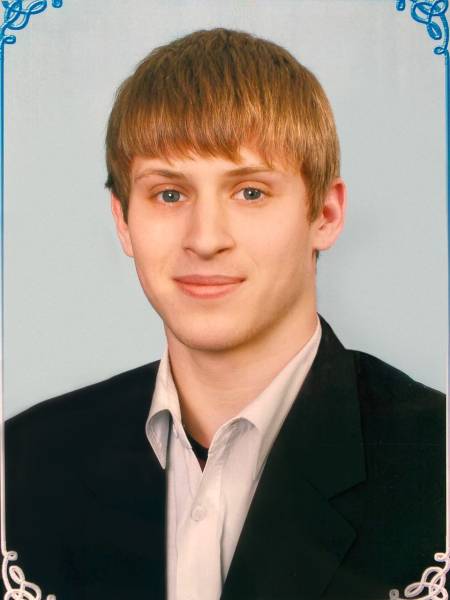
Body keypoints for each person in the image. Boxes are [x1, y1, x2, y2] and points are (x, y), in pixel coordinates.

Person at [4, 28, 446, 600]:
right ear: (123, 221)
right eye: (169, 194)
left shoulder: (437, 466)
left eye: (250, 192)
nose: (206, 238)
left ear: (325, 215)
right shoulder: (22, 463)